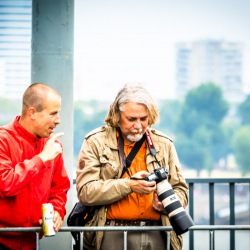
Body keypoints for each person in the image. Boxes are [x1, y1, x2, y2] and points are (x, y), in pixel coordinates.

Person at [76, 83, 189, 250]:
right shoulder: (95, 142)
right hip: (111, 232)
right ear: (116, 115)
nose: (138, 126)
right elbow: (85, 192)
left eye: (143, 119)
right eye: (131, 119)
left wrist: (165, 204)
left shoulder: (164, 144)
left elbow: (181, 190)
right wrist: (128, 185)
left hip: (157, 231)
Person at [0, 83, 70, 250]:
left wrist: (57, 212)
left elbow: (59, 188)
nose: (58, 120)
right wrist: (41, 158)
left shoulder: (53, 146)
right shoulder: (3, 140)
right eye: (53, 114)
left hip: (33, 242)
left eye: (58, 113)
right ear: (32, 113)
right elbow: (5, 184)